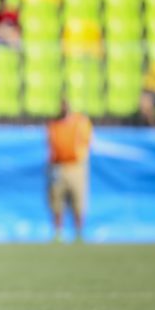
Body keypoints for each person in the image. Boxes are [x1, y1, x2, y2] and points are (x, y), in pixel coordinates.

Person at [47, 99, 93, 242]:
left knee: (78, 200)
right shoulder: (53, 125)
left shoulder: (80, 122)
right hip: (58, 165)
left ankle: (79, 232)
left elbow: (87, 141)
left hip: (75, 165)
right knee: (56, 200)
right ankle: (58, 232)